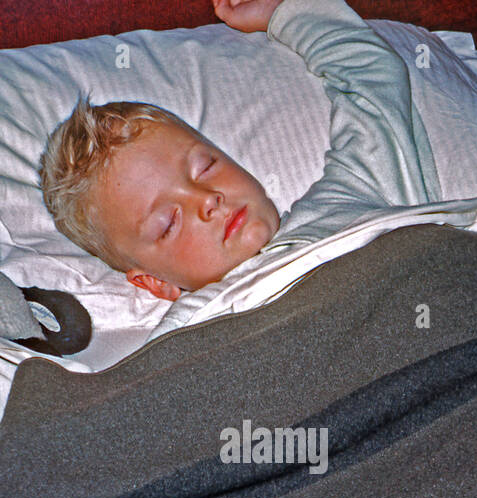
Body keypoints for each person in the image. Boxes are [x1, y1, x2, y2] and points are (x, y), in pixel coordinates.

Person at [38, 0, 445, 304]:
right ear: (155, 283)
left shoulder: (352, 199)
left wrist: (284, 11)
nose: (207, 200)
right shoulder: (191, 336)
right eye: (168, 223)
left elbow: (373, 82)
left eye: (205, 167)